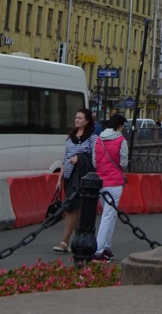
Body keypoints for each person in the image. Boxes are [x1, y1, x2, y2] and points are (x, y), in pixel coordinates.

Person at [53, 106, 97, 254]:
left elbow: (95, 158)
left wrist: (80, 158)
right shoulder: (70, 137)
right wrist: (59, 179)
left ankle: (64, 241)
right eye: (76, 117)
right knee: (75, 208)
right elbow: (65, 158)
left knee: (72, 207)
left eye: (80, 118)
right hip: (69, 177)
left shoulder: (92, 138)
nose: (76, 120)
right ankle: (78, 240)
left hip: (83, 177)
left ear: (87, 121)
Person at [93, 112, 129, 260]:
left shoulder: (98, 140)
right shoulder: (121, 140)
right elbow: (123, 163)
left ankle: (107, 247)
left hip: (101, 182)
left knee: (110, 215)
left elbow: (95, 162)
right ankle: (99, 250)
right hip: (115, 183)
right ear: (120, 126)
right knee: (108, 216)